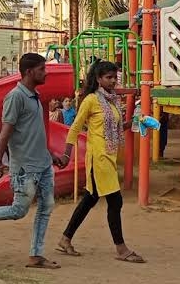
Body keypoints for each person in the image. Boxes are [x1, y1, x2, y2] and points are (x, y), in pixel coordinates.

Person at [0, 54, 61, 269]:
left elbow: (34, 132)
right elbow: (5, 132)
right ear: (29, 72)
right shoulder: (15, 97)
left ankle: (36, 255)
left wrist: (50, 155)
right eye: (42, 70)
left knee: (46, 207)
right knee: (18, 210)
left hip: (43, 163)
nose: (45, 74)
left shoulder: (35, 96)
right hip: (25, 167)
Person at [56, 61, 146, 262]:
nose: (113, 81)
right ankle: (121, 249)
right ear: (98, 79)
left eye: (115, 77)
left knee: (90, 199)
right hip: (98, 157)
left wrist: (132, 123)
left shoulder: (112, 101)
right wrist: (66, 155)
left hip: (109, 155)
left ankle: (65, 239)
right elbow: (75, 127)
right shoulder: (91, 100)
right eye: (108, 77)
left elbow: (113, 128)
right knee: (115, 201)